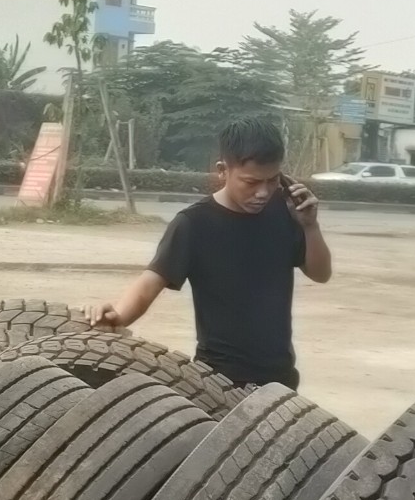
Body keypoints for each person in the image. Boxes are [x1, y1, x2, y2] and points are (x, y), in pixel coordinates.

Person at [83, 113, 331, 388]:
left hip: (280, 379)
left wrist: (310, 226)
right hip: (218, 381)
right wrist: (118, 315)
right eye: (251, 182)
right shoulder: (194, 224)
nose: (263, 192)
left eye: (272, 180)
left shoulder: (285, 211)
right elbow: (151, 281)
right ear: (223, 170)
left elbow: (321, 274)